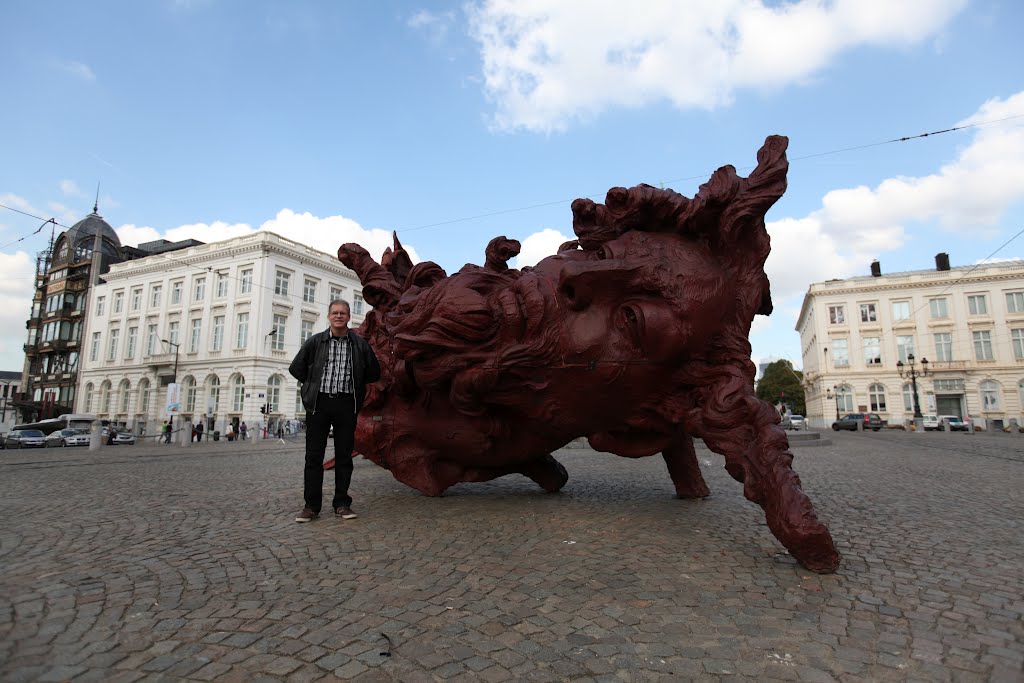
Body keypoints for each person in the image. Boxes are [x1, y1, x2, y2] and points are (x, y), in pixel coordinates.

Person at [289, 299, 381, 523]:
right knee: (313, 457)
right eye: (335, 313)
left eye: (343, 313)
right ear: (329, 316)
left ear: (349, 317)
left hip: (346, 404)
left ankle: (342, 503)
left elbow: (373, 372)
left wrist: (355, 384)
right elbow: (296, 368)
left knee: (343, 457)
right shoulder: (315, 342)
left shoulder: (359, 345)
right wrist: (312, 385)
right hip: (318, 404)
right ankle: (311, 506)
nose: (339, 316)